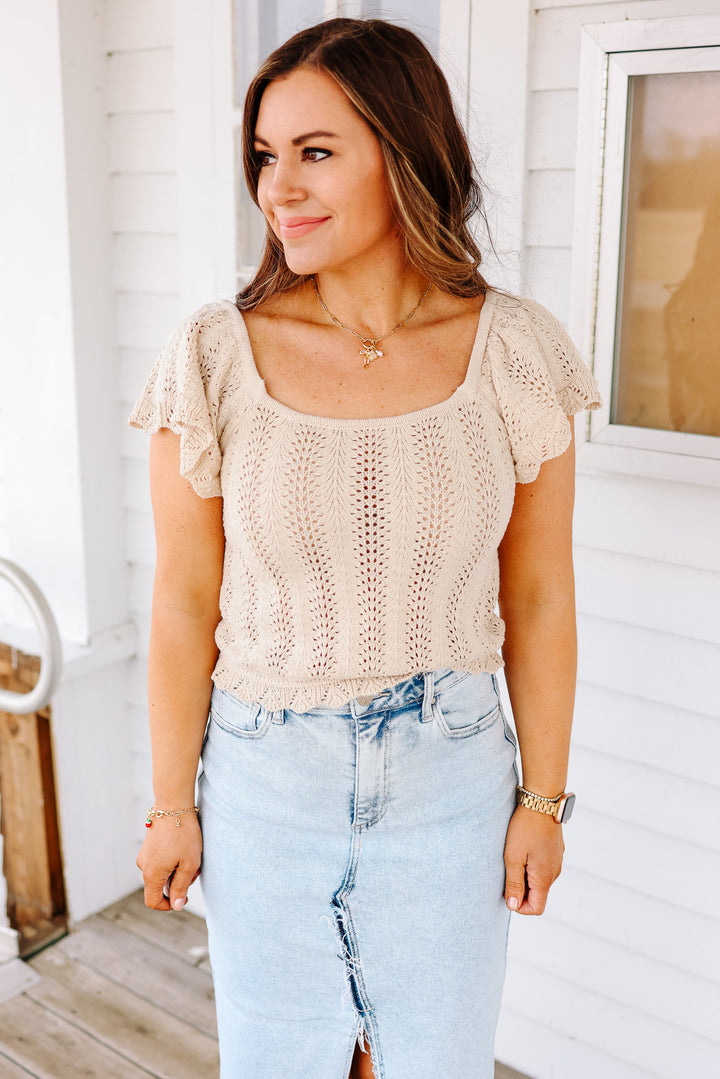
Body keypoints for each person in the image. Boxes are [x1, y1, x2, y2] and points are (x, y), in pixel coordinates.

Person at [130, 17, 601, 1079]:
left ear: (405, 151)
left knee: (431, 1061)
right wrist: (170, 804)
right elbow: (183, 599)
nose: (279, 189)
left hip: (453, 777)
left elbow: (540, 594)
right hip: (263, 783)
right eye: (265, 156)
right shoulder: (213, 355)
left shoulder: (515, 351)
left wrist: (543, 800)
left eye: (315, 152)